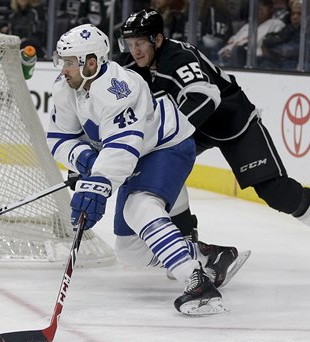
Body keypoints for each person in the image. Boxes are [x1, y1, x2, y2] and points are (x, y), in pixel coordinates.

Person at [116, 9, 310, 278]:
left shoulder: (179, 59)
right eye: (130, 44)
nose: (135, 51)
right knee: (166, 168)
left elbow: (204, 97)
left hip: (231, 120)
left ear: (157, 40)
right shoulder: (130, 66)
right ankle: (189, 242)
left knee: (276, 192)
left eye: (140, 43)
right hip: (191, 129)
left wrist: (162, 134)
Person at [49, 23, 229, 315]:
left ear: (91, 63)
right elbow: (59, 138)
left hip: (166, 146)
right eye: (63, 61)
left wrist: (97, 184)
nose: (63, 69)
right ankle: (208, 255)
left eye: (70, 62)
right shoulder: (67, 87)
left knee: (139, 206)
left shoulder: (118, 88)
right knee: (130, 252)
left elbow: (123, 147)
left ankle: (197, 281)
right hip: (134, 154)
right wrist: (87, 161)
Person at [217, 0, 285, 67]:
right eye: (257, 6)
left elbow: (268, 47)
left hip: (257, 61)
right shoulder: (248, 25)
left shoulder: (276, 23)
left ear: (271, 8)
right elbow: (233, 40)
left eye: (264, 5)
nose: (259, 8)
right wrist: (227, 49)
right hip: (232, 57)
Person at [260, 0, 303, 70]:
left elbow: (289, 50)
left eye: (299, 14)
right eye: (293, 14)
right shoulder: (288, 28)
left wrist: (271, 51)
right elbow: (269, 39)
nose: (295, 17)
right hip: (278, 61)